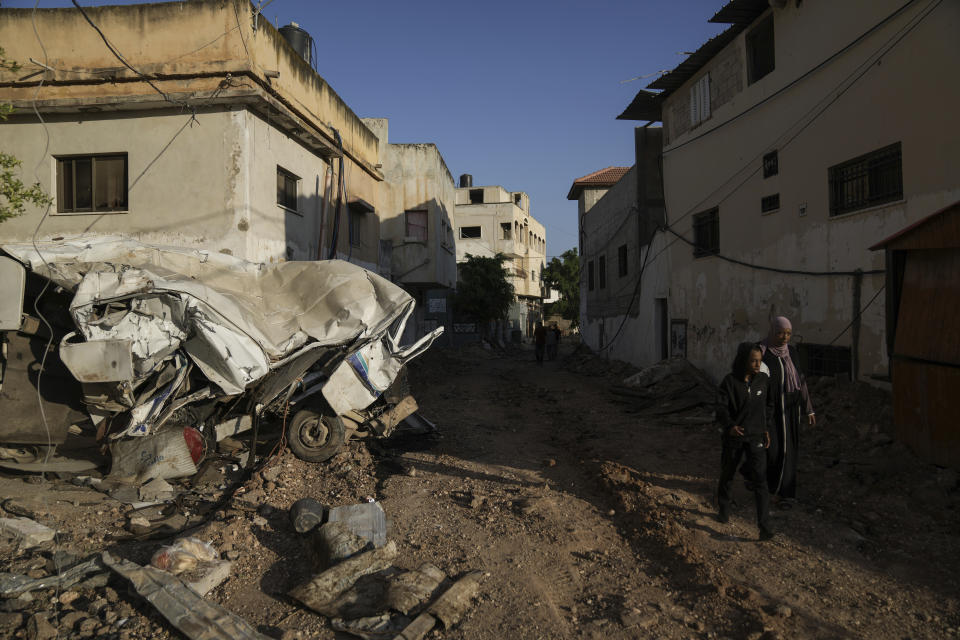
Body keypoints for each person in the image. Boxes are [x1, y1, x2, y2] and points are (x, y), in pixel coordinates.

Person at [716, 342, 775, 541]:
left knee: (760, 480)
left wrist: (765, 427)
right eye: (753, 360)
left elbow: (769, 405)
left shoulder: (764, 381)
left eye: (759, 361)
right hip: (735, 437)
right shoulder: (730, 382)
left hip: (756, 436)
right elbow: (721, 408)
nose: (757, 364)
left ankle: (764, 527)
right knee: (728, 473)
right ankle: (723, 511)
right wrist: (730, 426)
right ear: (743, 361)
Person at [760, 316, 815, 506]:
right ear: (772, 331)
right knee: (772, 450)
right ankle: (765, 484)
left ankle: (786, 494)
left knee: (788, 452)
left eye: (788, 334)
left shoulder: (792, 352)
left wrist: (809, 410)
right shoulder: (762, 352)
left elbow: (801, 381)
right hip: (769, 408)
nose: (784, 337)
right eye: (780, 333)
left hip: (790, 409)